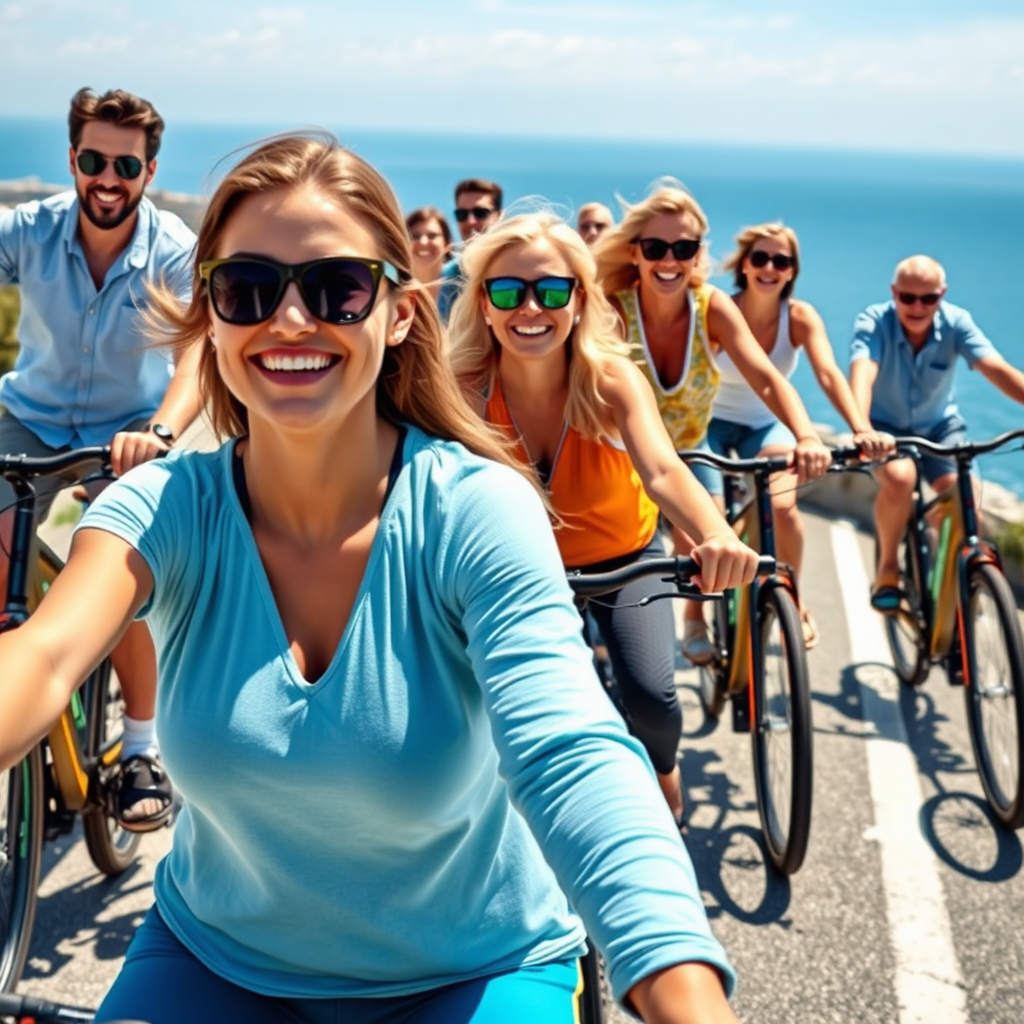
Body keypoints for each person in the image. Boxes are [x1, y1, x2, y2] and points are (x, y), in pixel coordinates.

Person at [0, 134, 744, 1024]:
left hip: (474, 969)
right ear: (211, 320)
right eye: (245, 290)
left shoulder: (474, 508)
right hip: (217, 960)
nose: (288, 323)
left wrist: (677, 982)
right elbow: (42, 659)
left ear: (397, 312)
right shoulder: (166, 509)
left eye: (335, 289)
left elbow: (570, 749)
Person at [448, 209, 760, 830]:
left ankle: (662, 768)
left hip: (624, 556)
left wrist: (717, 536)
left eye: (552, 290)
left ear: (580, 299)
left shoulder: (613, 378)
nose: (530, 309)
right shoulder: (464, 385)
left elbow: (666, 472)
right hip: (520, 570)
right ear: (483, 305)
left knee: (652, 702)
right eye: (508, 292)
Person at [0, 86, 202, 830]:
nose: (107, 180)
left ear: (149, 171)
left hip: (124, 434)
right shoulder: (30, 229)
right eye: (92, 161)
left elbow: (193, 359)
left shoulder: (173, 253)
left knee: (120, 578)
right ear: (72, 160)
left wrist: (162, 432)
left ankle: (141, 749)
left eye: (126, 165)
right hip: (29, 419)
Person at [593, 184, 831, 665]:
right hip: (625, 457)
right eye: (656, 248)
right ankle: (660, 632)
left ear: (698, 254)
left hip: (690, 446)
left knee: (710, 527)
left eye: (683, 249)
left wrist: (806, 435)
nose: (669, 260)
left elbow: (766, 377)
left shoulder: (713, 308)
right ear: (634, 253)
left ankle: (703, 618)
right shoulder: (614, 309)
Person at [708, 222, 894, 648]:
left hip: (764, 424)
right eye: (761, 258)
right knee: (709, 517)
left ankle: (792, 596)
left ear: (792, 270)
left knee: (783, 508)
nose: (770, 267)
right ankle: (699, 613)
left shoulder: (800, 317)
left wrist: (860, 428)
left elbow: (828, 374)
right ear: (744, 266)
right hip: (710, 425)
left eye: (782, 260)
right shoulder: (719, 309)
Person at [850, 254, 1024, 611]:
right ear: (893, 293)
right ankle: (887, 570)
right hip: (885, 431)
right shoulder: (874, 321)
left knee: (966, 495)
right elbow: (863, 372)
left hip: (940, 428)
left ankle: (946, 571)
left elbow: (996, 368)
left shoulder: (957, 322)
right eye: (907, 298)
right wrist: (862, 427)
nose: (917, 306)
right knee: (900, 478)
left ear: (941, 295)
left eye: (928, 299)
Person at [436, 177, 502, 322]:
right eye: (462, 214)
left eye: (480, 213)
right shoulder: (449, 276)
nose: (470, 221)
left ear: (500, 216)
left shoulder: (519, 267)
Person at [404, 205, 451, 303]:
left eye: (432, 236)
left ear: (447, 245)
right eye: (415, 236)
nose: (423, 242)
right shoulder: (391, 290)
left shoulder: (465, 288)